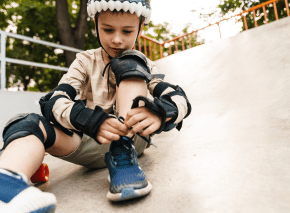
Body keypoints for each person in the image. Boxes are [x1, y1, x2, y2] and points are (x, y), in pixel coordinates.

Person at [0, 0, 191, 212]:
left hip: (131, 140)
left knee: (132, 61)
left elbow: (178, 98)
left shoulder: (144, 63)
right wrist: (90, 120)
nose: (117, 40)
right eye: (107, 29)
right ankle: (6, 187)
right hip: (90, 139)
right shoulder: (84, 61)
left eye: (127, 31)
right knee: (26, 123)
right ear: (95, 23)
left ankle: (123, 154)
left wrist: (160, 113)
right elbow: (54, 100)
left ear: (140, 28)